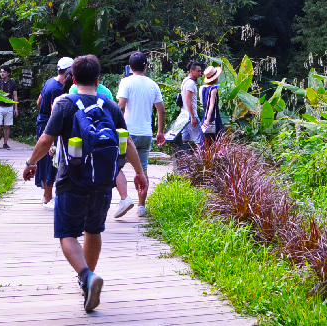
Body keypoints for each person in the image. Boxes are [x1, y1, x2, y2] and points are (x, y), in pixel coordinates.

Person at [22, 55, 148, 314]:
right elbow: (128, 142)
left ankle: (86, 277)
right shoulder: (110, 106)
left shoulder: (65, 103)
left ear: (73, 79)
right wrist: (139, 172)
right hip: (103, 182)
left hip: (71, 181)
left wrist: (30, 162)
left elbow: (46, 139)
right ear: (98, 79)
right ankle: (86, 282)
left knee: (67, 234)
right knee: (94, 230)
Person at [114, 51, 165, 218]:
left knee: (116, 166)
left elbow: (121, 107)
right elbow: (161, 110)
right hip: (145, 133)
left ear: (129, 67)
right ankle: (142, 207)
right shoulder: (153, 85)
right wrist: (160, 132)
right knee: (142, 170)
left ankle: (125, 198)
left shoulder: (126, 82)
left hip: (127, 134)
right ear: (146, 66)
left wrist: (115, 127)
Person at [34, 57, 73, 209]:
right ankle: (48, 199)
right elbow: (54, 112)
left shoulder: (50, 81)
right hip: (49, 126)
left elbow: (39, 102)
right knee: (51, 161)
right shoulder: (58, 88)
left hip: (41, 123)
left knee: (46, 160)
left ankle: (46, 196)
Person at [167, 60, 204, 160]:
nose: (200, 73)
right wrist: (192, 117)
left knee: (185, 141)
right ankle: (202, 163)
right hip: (190, 116)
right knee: (199, 142)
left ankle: (185, 161)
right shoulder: (191, 84)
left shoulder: (185, 81)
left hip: (183, 117)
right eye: (198, 71)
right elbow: (188, 100)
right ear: (192, 71)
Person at [0, 67, 19, 149]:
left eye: (4, 72)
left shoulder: (13, 84)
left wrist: (16, 108)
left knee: (7, 125)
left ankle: (5, 143)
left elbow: (15, 96)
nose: (2, 73)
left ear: (8, 73)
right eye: (1, 72)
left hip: (9, 107)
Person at [199, 65, 224, 144]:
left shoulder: (203, 88)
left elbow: (203, 102)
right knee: (215, 138)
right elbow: (211, 105)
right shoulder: (213, 89)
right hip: (213, 117)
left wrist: (206, 118)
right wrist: (208, 119)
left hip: (205, 115)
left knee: (206, 138)